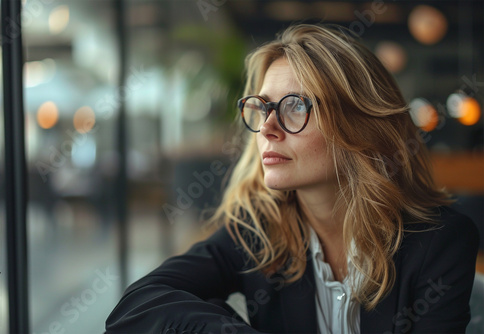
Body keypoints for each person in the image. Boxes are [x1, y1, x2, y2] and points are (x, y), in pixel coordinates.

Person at [105, 24, 479, 334]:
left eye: (296, 106)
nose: (267, 128)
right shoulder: (258, 230)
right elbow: (137, 306)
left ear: (360, 123)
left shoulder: (440, 243)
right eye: (263, 106)